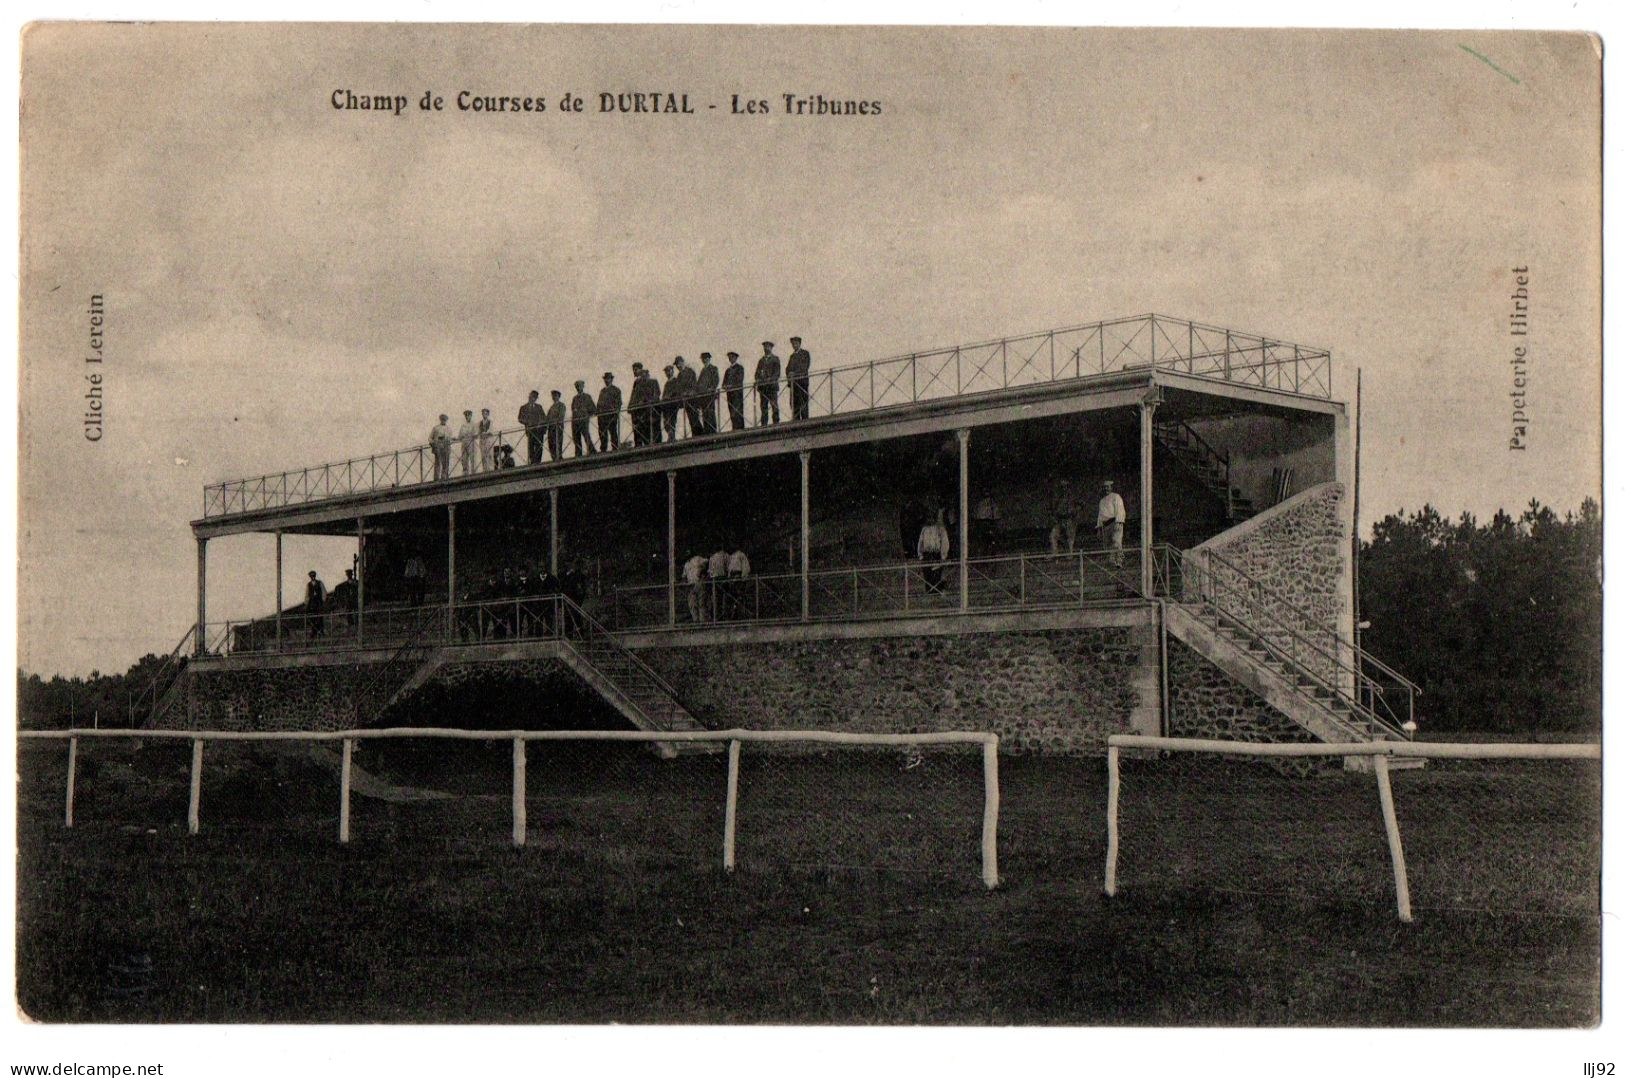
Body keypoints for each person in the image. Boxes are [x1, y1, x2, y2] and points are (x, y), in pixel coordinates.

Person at [917, 509, 951, 594]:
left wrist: (943, 556)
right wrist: (920, 555)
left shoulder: (940, 529)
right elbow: (920, 542)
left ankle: (936, 593)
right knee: (927, 576)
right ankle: (929, 592)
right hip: (927, 554)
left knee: (936, 576)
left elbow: (944, 542)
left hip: (936, 554)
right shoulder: (924, 529)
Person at [1097, 479, 1127, 567]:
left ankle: (1119, 561)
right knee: (1107, 545)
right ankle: (1112, 562)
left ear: (1111, 487)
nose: (1106, 489)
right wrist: (1099, 528)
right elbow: (1100, 516)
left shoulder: (1116, 497)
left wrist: (1118, 521)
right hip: (1105, 525)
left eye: (1108, 487)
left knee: (1116, 542)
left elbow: (1120, 510)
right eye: (1104, 487)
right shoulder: (1102, 501)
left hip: (1115, 522)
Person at [628, 362, 659, 446]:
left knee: (646, 431)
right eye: (633, 370)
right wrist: (630, 406)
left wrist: (644, 402)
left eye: (636, 369)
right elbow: (633, 395)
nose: (634, 371)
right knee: (637, 432)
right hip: (637, 411)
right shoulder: (636, 383)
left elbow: (653, 395)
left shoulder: (650, 381)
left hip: (645, 411)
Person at [1049, 478, 1078, 554]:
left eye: (1065, 486)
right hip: (1060, 520)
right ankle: (1055, 553)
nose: (1064, 489)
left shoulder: (1072, 497)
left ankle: (1070, 554)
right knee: (1053, 536)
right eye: (1062, 487)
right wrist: (1055, 516)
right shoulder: (1059, 499)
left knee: (1070, 538)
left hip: (1069, 519)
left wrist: (1074, 512)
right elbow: (1054, 509)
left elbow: (1080, 505)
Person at [675, 356, 702, 437]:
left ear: (682, 362)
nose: (678, 366)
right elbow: (679, 387)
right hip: (685, 399)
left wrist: (688, 392)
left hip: (692, 398)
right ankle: (695, 433)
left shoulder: (690, 371)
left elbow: (693, 384)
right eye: (676, 365)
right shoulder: (679, 375)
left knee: (695, 416)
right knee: (690, 417)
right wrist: (681, 394)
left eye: (678, 364)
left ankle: (699, 433)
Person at [755, 342, 781, 425]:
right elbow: (757, 373)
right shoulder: (761, 361)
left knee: (774, 405)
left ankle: (776, 422)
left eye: (768, 347)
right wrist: (758, 380)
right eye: (765, 347)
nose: (766, 348)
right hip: (763, 387)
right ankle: (764, 423)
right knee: (763, 406)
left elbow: (777, 372)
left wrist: (771, 379)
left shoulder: (775, 359)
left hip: (772, 386)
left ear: (771, 348)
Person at [519, 390, 547, 466]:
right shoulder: (524, 407)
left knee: (539, 445)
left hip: (539, 430)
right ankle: (532, 461)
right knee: (531, 446)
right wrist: (527, 422)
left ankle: (538, 462)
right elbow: (520, 418)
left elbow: (544, 417)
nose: (532, 398)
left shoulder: (539, 407)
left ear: (536, 398)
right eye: (531, 396)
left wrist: (541, 425)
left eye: (534, 397)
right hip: (530, 429)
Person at [787, 336, 812, 421]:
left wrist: (794, 373)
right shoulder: (792, 356)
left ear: (799, 344)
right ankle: (796, 420)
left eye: (796, 343)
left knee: (803, 402)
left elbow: (805, 367)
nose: (794, 345)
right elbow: (788, 369)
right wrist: (789, 375)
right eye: (793, 344)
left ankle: (805, 420)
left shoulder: (805, 353)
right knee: (795, 404)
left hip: (802, 382)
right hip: (794, 384)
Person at [596, 372, 622, 452]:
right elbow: (599, 403)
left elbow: (618, 402)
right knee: (602, 433)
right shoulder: (602, 391)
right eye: (605, 379)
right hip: (602, 416)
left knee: (613, 432)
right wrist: (598, 411)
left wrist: (615, 411)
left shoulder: (616, 390)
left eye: (608, 379)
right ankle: (603, 449)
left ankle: (615, 447)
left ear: (611, 379)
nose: (606, 380)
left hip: (611, 415)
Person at [570, 380, 597, 456]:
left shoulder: (587, 397)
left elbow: (593, 409)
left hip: (583, 420)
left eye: (580, 386)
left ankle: (592, 451)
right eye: (577, 387)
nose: (578, 388)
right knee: (576, 438)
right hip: (575, 421)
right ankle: (578, 453)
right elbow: (573, 409)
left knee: (586, 435)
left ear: (583, 387)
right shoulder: (574, 398)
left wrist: (586, 414)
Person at [696, 353, 720, 434]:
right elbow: (699, 383)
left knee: (711, 413)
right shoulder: (703, 370)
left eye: (706, 358)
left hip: (709, 395)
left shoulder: (713, 368)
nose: (704, 360)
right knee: (705, 414)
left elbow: (716, 380)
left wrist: (711, 388)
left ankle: (712, 431)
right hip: (703, 396)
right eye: (703, 358)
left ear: (709, 359)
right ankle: (707, 431)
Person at [722, 352, 747, 431]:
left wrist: (731, 386)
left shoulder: (740, 368)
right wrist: (725, 386)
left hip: (737, 393)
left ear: (736, 358)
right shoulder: (728, 370)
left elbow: (739, 380)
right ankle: (734, 427)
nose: (730, 358)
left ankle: (739, 428)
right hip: (729, 394)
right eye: (729, 357)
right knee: (731, 411)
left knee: (738, 410)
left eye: (732, 357)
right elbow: (724, 383)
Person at [683, 553, 708, 623]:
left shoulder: (697, 558)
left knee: (701, 602)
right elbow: (684, 575)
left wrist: (702, 570)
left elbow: (706, 561)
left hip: (699, 582)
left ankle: (703, 621)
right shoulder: (686, 564)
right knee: (692, 604)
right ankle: (695, 620)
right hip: (690, 584)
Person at [660, 364, 682, 442]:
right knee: (666, 421)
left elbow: (676, 391)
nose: (667, 373)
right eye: (666, 372)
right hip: (666, 405)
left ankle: (672, 436)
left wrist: (669, 396)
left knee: (672, 420)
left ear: (672, 371)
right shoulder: (667, 383)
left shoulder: (675, 381)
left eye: (668, 371)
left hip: (672, 404)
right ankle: (670, 435)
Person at [707, 547, 730, 619]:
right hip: (721, 577)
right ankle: (721, 616)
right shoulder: (725, 555)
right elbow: (728, 567)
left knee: (717, 598)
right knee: (723, 597)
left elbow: (710, 571)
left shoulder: (713, 557)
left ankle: (717, 616)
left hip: (716, 578)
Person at [304, 570, 328, 638]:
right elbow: (307, 595)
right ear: (310, 577)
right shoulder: (308, 585)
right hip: (312, 604)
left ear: (315, 576)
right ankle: (313, 631)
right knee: (313, 617)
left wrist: (323, 600)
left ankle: (321, 631)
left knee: (319, 617)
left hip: (318, 603)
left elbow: (324, 592)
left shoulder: (320, 583)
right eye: (311, 576)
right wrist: (306, 603)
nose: (313, 577)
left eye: (313, 576)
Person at [429, 414, 453, 481]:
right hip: (438, 446)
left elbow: (450, 438)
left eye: (444, 420)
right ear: (440, 420)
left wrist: (450, 441)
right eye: (442, 419)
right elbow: (430, 438)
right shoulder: (436, 428)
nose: (443, 421)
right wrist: (432, 443)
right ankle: (436, 477)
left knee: (445, 462)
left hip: (446, 446)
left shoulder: (449, 429)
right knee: (438, 462)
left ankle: (444, 476)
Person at [545, 390, 567, 462]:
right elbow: (547, 418)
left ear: (558, 397)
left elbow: (561, 416)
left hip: (558, 427)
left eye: (556, 396)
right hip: (551, 428)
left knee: (558, 442)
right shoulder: (551, 407)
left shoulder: (561, 405)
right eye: (553, 396)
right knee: (551, 443)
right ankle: (554, 457)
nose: (554, 397)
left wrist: (555, 421)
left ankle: (559, 457)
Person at [458, 410, 479, 476]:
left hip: (471, 443)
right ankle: (465, 473)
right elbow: (460, 435)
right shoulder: (463, 425)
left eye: (468, 415)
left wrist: (469, 435)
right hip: (464, 443)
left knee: (472, 458)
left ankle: (474, 473)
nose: (467, 417)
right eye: (466, 416)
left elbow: (475, 434)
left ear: (471, 416)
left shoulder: (474, 424)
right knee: (464, 458)